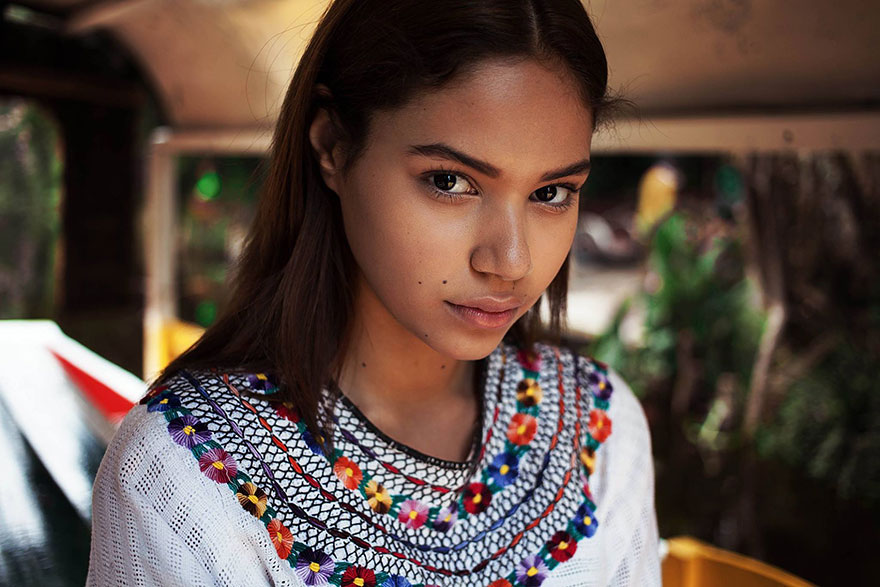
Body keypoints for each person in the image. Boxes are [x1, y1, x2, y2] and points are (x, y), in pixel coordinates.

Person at [86, 0, 660, 585]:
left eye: (552, 192)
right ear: (333, 146)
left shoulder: (600, 429)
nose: (510, 262)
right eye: (450, 182)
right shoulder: (184, 476)